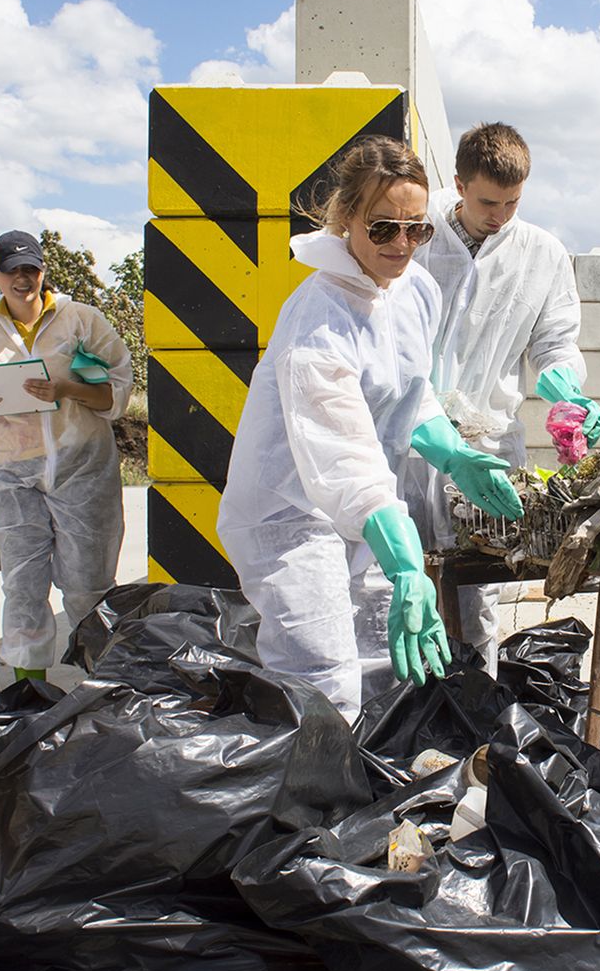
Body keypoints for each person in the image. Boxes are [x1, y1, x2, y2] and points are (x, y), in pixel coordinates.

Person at [218, 136, 524, 720]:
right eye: (384, 228)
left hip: (365, 515)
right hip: (292, 516)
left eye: (417, 230)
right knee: (324, 681)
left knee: (388, 669)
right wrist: (408, 566)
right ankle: (312, 808)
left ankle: (376, 801)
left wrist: (454, 455)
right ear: (345, 218)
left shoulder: (415, 292)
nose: (402, 244)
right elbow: (342, 454)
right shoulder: (320, 316)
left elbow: (413, 396)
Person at [400, 122, 600, 668]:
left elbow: (556, 340)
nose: (501, 215)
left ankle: (474, 717)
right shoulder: (413, 236)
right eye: (488, 201)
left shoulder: (541, 253)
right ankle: (399, 726)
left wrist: (564, 389)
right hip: (408, 448)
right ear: (460, 185)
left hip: (485, 449)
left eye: (513, 201)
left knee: (477, 598)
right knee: (397, 592)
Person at [0, 231, 134, 681]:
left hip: (82, 469)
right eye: (12, 271)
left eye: (30, 269)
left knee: (88, 585)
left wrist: (67, 388)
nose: (22, 279)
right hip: (13, 475)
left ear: (43, 272)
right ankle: (28, 692)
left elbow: (120, 388)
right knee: (23, 586)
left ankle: (100, 683)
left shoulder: (82, 322)